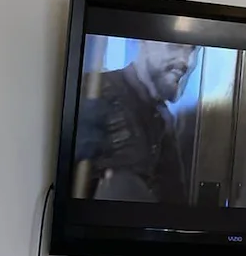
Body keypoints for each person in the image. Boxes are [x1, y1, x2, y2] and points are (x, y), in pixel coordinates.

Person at [75, 39, 199, 203]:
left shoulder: (164, 120)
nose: (187, 61)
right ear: (144, 42)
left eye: (192, 49)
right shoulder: (92, 92)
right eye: (176, 45)